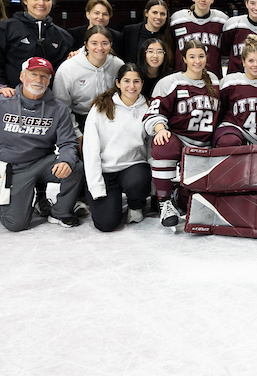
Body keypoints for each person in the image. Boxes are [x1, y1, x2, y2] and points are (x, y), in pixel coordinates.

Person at [0, 57, 82, 231]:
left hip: (41, 163)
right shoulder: (0, 102)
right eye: (33, 74)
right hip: (11, 167)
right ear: (22, 76)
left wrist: (66, 160)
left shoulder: (58, 108)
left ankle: (59, 212)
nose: (38, 80)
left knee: (75, 167)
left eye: (44, 76)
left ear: (49, 81)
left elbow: (68, 142)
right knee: (16, 224)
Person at [144, 40, 220, 228]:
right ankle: (164, 201)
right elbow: (153, 113)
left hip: (206, 144)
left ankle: (179, 194)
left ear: (206, 57)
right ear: (184, 58)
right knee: (163, 143)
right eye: (192, 57)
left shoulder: (215, 80)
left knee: (191, 205)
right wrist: (160, 129)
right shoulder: (170, 82)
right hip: (180, 140)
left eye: (201, 56)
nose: (197, 61)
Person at [84, 64, 152, 231]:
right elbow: (90, 149)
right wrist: (96, 186)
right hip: (105, 171)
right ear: (118, 83)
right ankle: (109, 201)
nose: (131, 86)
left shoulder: (148, 108)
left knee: (138, 179)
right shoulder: (102, 107)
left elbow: (151, 146)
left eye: (136, 81)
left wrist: (154, 186)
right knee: (106, 224)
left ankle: (135, 205)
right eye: (126, 81)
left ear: (142, 84)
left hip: (133, 167)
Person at [0, 0, 73, 98]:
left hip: (48, 102)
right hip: (11, 98)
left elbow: (64, 71)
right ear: (25, 0)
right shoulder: (3, 29)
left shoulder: (63, 36)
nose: (41, 3)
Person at [52, 25, 124, 132]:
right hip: (78, 118)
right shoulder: (68, 68)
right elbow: (61, 105)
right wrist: (76, 132)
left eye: (104, 43)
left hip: (110, 117)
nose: (99, 47)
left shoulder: (118, 65)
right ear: (86, 44)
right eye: (94, 43)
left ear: (111, 45)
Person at [214, 35, 257, 147]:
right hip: (234, 130)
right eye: (251, 61)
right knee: (229, 141)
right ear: (243, 62)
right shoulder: (231, 82)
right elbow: (219, 111)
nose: (255, 65)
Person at [168, 0, 228, 77]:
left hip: (212, 77)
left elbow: (226, 50)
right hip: (182, 77)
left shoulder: (221, 20)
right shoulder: (177, 19)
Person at [122, 0, 172, 71]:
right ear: (146, 13)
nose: (158, 17)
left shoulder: (170, 34)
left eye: (162, 14)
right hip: (135, 78)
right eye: (154, 12)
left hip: (160, 78)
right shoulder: (130, 31)